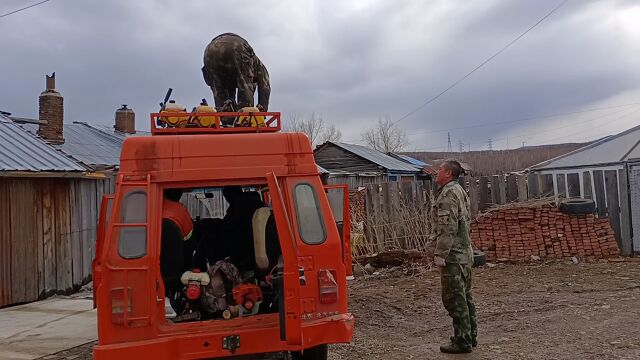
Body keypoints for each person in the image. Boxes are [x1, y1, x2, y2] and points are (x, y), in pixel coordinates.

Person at [427, 160, 477, 354]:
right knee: (465, 297)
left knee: (454, 299)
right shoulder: (459, 190)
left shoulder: (448, 194)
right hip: (464, 253)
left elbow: (448, 228)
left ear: (448, 173)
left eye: (439, 169)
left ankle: (462, 342)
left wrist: (440, 254)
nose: (436, 172)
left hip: (454, 257)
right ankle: (468, 336)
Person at [202, 33, 271, 112]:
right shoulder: (260, 67)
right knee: (245, 85)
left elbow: (229, 92)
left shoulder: (232, 74)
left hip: (210, 49)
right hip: (237, 46)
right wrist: (262, 113)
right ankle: (246, 118)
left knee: (219, 89)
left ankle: (226, 119)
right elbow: (265, 89)